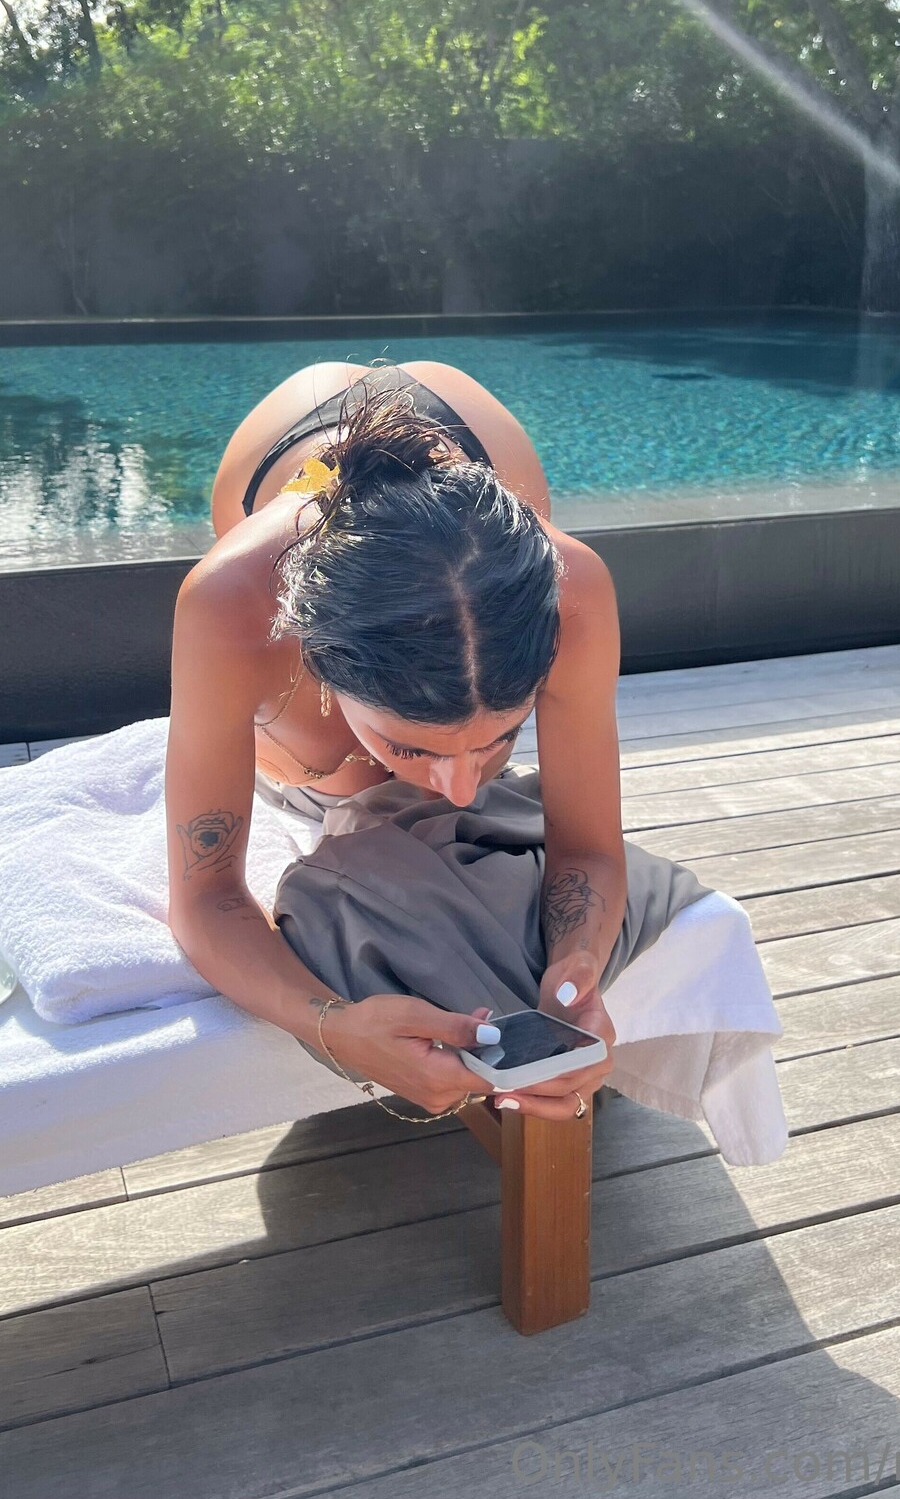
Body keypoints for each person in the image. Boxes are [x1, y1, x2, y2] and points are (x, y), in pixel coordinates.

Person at [165, 358, 636, 1123]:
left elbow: (589, 847)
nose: (463, 790)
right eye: (413, 749)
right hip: (286, 441)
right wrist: (332, 1024)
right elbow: (204, 896)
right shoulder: (230, 606)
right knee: (324, 767)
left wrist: (574, 968)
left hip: (470, 425)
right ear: (312, 656)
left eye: (501, 741)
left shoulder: (571, 588)